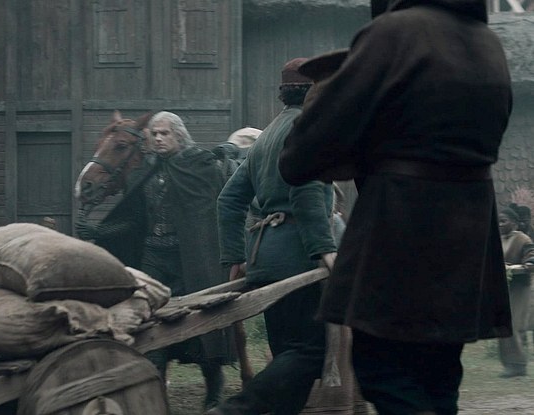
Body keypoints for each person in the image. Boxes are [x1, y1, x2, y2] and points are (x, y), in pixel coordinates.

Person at [278, 0, 514, 413]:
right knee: (438, 379)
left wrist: (323, 97)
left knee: (386, 372)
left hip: (401, 227)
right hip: (467, 236)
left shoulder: (395, 32)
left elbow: (303, 155)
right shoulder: (487, 42)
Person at [76, 111, 234, 410]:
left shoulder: (198, 165)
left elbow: (210, 211)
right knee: (150, 320)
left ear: (179, 135)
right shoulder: (146, 171)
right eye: (155, 134)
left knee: (201, 320)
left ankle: (214, 387)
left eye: (165, 133)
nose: (159, 138)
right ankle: (156, 391)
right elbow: (134, 221)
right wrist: (99, 231)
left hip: (189, 258)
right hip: (153, 256)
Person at [207, 58, 337, 415]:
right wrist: (323, 248)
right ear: (315, 92)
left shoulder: (267, 135)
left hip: (265, 257)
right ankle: (234, 410)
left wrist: (235, 256)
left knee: (288, 356)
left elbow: (228, 200)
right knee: (311, 351)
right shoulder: (307, 129)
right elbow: (305, 188)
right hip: (297, 257)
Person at [497, 206, 534, 378]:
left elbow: (531, 258)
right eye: (499, 221)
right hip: (503, 288)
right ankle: (509, 363)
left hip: (520, 288)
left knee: (513, 324)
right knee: (501, 324)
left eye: (504, 221)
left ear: (513, 222)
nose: (500, 224)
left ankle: (518, 365)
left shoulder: (523, 239)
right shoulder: (498, 240)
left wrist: (523, 265)